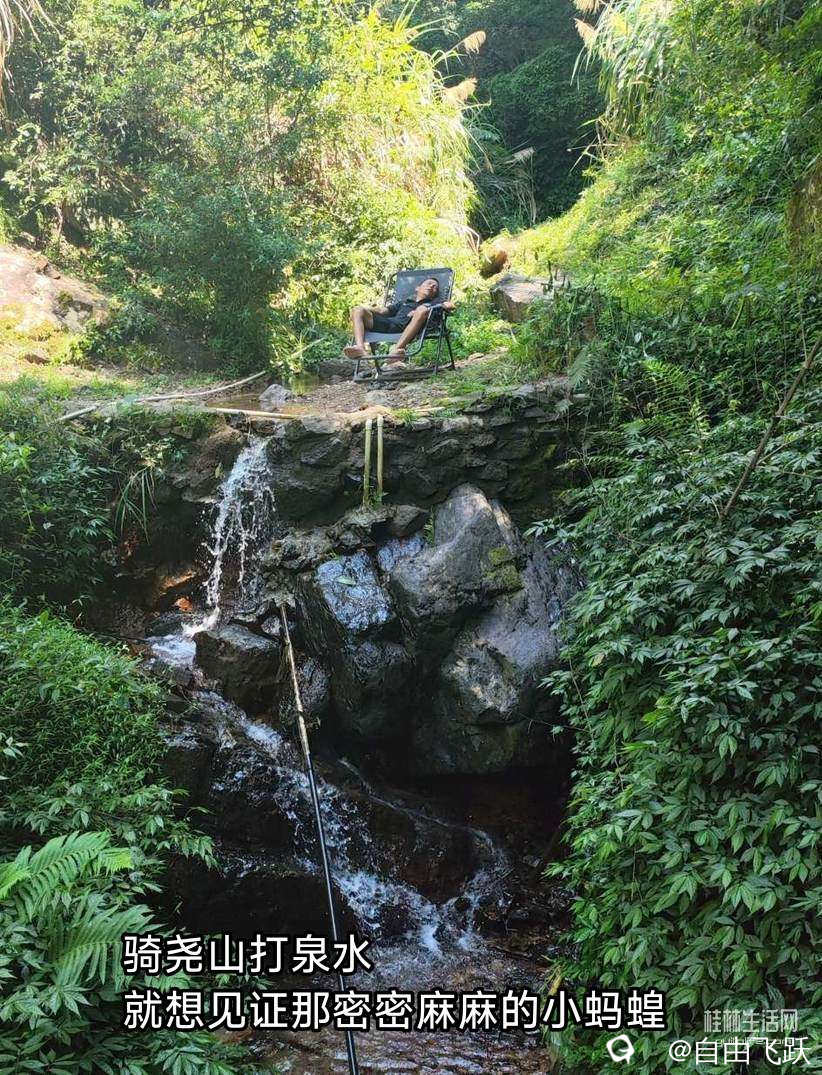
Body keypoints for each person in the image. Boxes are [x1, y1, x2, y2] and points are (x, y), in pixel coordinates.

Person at [344, 277, 455, 364]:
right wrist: (361, 310)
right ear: (418, 288)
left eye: (435, 287)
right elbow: (382, 311)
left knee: (421, 310)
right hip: (389, 324)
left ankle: (397, 350)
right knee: (357, 310)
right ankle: (360, 348)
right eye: (429, 283)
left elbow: (450, 306)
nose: (431, 286)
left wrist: (422, 310)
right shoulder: (404, 302)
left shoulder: (434, 302)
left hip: (410, 330)